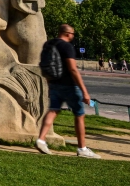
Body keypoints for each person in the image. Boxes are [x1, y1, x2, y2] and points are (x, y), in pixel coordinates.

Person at [36, 24, 100, 158]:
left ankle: (41, 140)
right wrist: (84, 91)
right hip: (69, 85)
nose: (73, 36)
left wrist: (49, 82)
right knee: (79, 114)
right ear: (67, 34)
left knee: (53, 110)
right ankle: (82, 148)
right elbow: (73, 69)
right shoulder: (67, 47)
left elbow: (45, 64)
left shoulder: (49, 44)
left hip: (54, 83)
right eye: (73, 34)